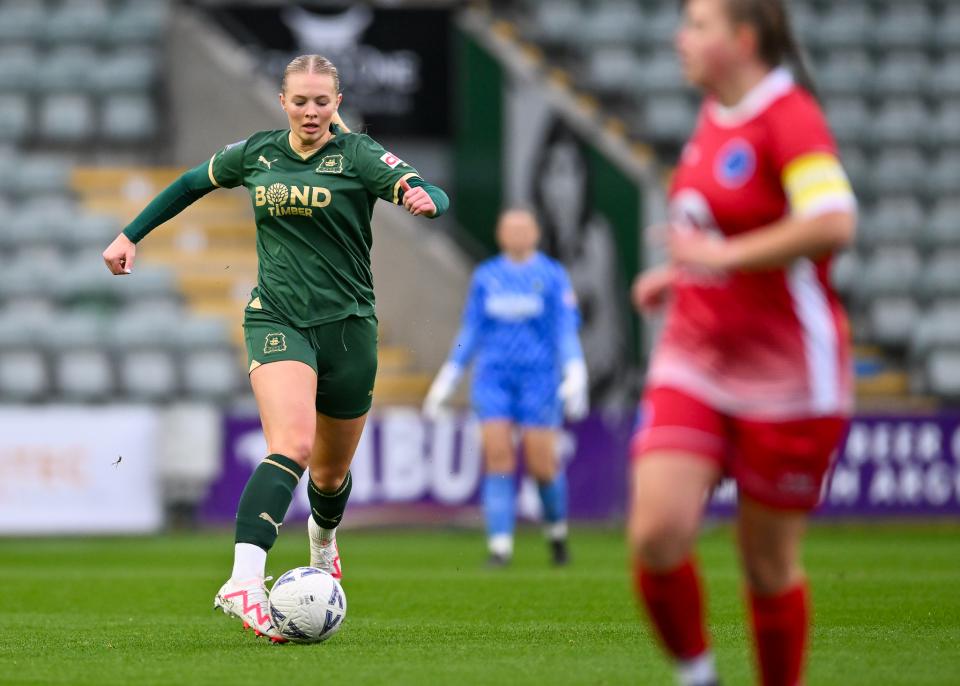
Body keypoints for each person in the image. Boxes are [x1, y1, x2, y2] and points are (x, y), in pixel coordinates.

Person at [102, 54, 449, 641]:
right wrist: (130, 234)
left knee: (332, 476)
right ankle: (243, 580)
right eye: (299, 100)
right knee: (292, 443)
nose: (310, 111)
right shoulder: (256, 152)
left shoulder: (360, 155)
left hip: (350, 328)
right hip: (277, 318)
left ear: (337, 102)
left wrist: (422, 198)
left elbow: (425, 186)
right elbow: (191, 183)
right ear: (282, 101)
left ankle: (323, 541)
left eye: (321, 101)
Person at [628, 1, 856, 685]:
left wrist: (719, 261)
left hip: (788, 377)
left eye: (698, 25)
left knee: (766, 566)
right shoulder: (714, 112)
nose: (682, 38)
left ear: (743, 39)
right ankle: (698, 676)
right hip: (695, 357)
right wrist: (683, 272)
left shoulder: (789, 118)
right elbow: (726, 226)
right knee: (657, 534)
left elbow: (833, 223)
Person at [423, 209, 589, 566]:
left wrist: (575, 371)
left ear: (536, 232)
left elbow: (564, 329)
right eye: (509, 228)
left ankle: (556, 534)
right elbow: (471, 330)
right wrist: (449, 376)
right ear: (499, 234)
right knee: (497, 458)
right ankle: (500, 546)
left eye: (523, 227)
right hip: (493, 377)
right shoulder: (487, 276)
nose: (516, 234)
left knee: (542, 464)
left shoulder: (552, 275)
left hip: (539, 378)